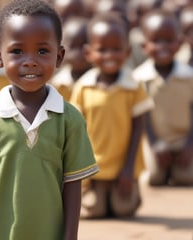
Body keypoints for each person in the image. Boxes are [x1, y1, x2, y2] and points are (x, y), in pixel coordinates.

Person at [0, 1, 98, 239]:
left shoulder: (70, 118)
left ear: (59, 56)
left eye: (42, 51)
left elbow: (73, 184)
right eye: (17, 51)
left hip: (47, 232)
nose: (30, 61)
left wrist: (70, 235)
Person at [71, 13, 154, 218]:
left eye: (116, 49)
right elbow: (76, 130)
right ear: (89, 53)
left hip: (123, 168)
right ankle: (100, 195)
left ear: (127, 53)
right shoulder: (83, 87)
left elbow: (138, 128)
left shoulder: (134, 86)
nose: (109, 56)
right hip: (93, 169)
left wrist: (128, 169)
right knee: (94, 211)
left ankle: (125, 194)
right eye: (102, 49)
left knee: (123, 209)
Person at [133, 9, 193, 186]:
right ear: (144, 46)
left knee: (186, 177)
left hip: (184, 141)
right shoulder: (139, 79)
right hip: (155, 142)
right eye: (156, 41)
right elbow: (142, 115)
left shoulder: (189, 76)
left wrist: (190, 145)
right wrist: (155, 143)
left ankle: (176, 169)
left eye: (169, 41)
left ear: (180, 43)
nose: (163, 47)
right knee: (153, 178)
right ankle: (166, 170)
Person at [50, 16, 91, 101]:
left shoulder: (98, 82)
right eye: (73, 47)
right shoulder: (57, 84)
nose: (78, 53)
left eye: (84, 46)